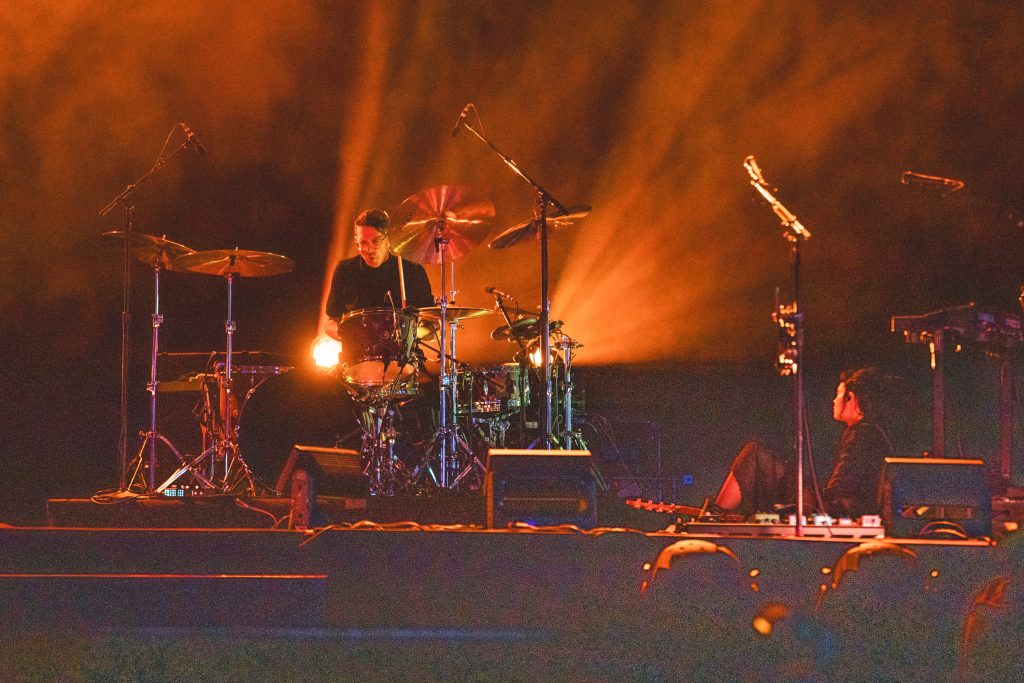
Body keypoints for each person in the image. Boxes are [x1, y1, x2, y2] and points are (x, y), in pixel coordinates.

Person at [715, 366, 898, 519]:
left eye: (838, 394)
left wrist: (807, 493)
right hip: (833, 508)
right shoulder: (869, 433)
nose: (834, 401)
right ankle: (717, 514)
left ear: (852, 398)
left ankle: (715, 515)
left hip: (832, 511)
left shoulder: (862, 434)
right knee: (761, 458)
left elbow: (839, 491)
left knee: (754, 454)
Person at [325, 208, 434, 332]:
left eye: (376, 241)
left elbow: (432, 323)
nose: (369, 249)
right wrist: (349, 337)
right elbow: (330, 323)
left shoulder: (412, 272)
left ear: (389, 239)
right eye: (363, 243)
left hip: (400, 350)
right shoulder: (345, 270)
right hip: (357, 350)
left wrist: (410, 336)